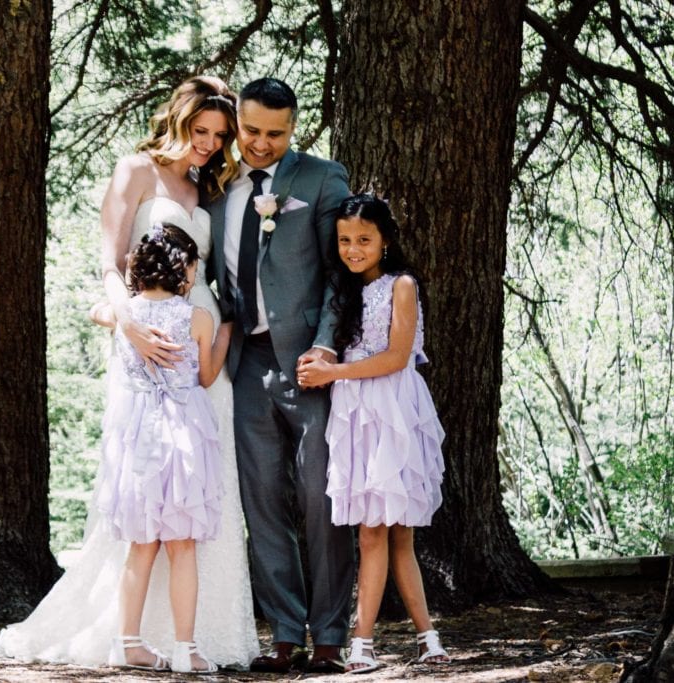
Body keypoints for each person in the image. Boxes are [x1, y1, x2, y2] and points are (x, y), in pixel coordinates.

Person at [0, 76, 259, 668]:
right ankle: (126, 631)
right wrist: (127, 323)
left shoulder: (207, 185)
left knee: (203, 484)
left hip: (199, 336)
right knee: (145, 484)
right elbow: (111, 262)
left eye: (219, 135)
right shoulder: (135, 171)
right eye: (201, 131)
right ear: (178, 122)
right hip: (141, 331)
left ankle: (202, 635)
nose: (210, 144)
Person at [208, 77, 355, 674]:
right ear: (237, 123)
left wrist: (324, 349)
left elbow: (340, 276)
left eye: (277, 133)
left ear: (294, 129)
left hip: (309, 365)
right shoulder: (215, 185)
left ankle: (329, 637)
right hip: (245, 362)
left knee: (321, 499)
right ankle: (285, 636)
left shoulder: (322, 178)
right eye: (252, 131)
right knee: (262, 502)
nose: (262, 144)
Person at [297, 194, 449, 673]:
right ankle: (362, 642)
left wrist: (333, 374)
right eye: (345, 240)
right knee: (370, 532)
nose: (353, 249)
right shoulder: (340, 291)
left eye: (364, 239)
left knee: (398, 532)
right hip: (355, 414)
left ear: (385, 240)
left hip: (393, 410)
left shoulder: (401, 285)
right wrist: (318, 364)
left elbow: (396, 357)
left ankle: (425, 636)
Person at [93, 224, 231, 673]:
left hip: (137, 435)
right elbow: (207, 377)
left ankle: (127, 642)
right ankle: (185, 649)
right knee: (182, 546)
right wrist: (227, 333)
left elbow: (100, 311)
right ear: (184, 271)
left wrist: (113, 309)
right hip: (183, 436)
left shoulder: (125, 316)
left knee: (141, 546)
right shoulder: (198, 318)